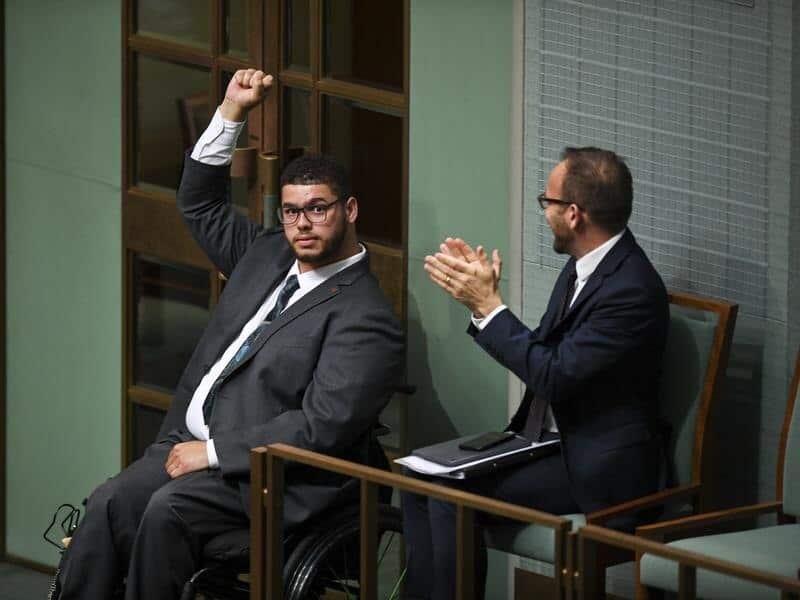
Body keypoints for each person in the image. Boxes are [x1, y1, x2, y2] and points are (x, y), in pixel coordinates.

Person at [57, 69, 404, 600]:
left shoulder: (366, 318)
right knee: (108, 504)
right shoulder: (266, 253)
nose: (302, 224)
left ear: (349, 210)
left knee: (162, 513)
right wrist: (231, 112)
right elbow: (199, 204)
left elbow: (321, 427)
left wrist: (215, 451)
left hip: (262, 477)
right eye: (292, 212)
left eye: (318, 209)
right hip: (185, 445)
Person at [401, 147, 669, 600]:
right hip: (549, 444)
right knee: (413, 480)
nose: (543, 213)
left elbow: (553, 377)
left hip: (599, 467)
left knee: (451, 495)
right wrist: (486, 302)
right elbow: (546, 355)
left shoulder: (632, 291)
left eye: (547, 203)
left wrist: (488, 308)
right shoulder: (585, 267)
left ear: (574, 215)